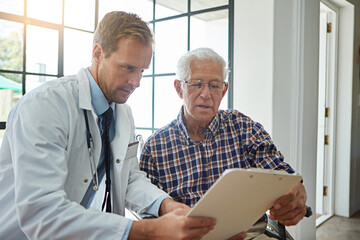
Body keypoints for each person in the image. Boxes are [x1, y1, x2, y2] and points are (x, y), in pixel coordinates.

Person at [0, 12, 242, 240]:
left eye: (142, 71)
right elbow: (42, 214)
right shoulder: (46, 106)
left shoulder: (122, 112)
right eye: (128, 68)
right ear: (98, 54)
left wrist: (167, 206)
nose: (136, 82)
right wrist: (147, 231)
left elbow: (129, 179)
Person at [140, 47, 308, 239]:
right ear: (179, 88)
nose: (205, 94)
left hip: (247, 234)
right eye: (196, 84)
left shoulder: (243, 127)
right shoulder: (155, 146)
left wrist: (296, 191)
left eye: (214, 85)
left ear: (224, 90)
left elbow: (280, 174)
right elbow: (149, 213)